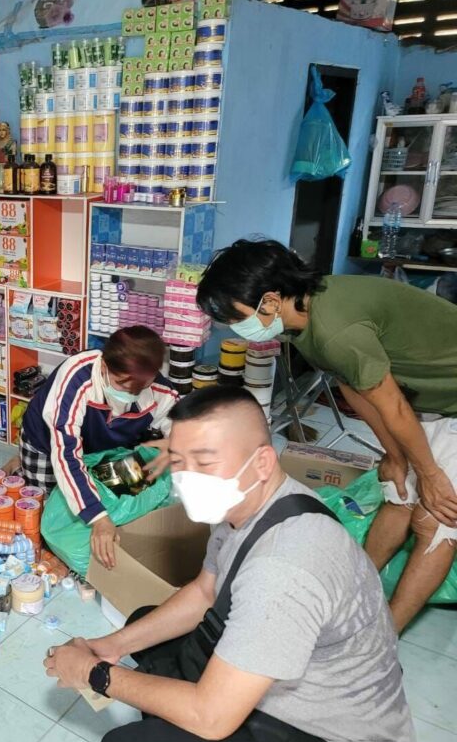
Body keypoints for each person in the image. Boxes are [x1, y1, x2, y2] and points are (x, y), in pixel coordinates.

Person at [44, 387, 414, 742]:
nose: (187, 478)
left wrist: (95, 673)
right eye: (179, 461)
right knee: (145, 626)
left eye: (205, 462)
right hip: (286, 693)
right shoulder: (254, 504)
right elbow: (205, 592)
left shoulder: (284, 567)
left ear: (262, 462)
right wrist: (112, 646)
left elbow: (212, 716)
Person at [196, 238, 457, 631]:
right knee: (399, 491)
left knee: (436, 519)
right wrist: (396, 457)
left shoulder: (335, 329)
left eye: (236, 317)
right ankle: (349, 593)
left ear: (270, 301)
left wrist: (432, 475)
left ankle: (382, 636)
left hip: (448, 397)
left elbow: (393, 406)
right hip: (423, 398)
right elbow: (354, 387)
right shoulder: (302, 318)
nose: (233, 328)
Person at [13, 326, 178, 569]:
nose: (131, 395)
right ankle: (20, 468)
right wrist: (97, 517)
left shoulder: (159, 390)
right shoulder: (76, 378)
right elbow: (66, 455)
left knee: (104, 500)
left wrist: (177, 444)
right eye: (122, 384)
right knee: (49, 515)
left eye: (141, 387)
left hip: (103, 447)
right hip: (48, 444)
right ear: (103, 366)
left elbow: (182, 426)